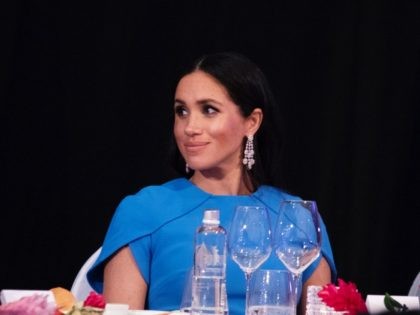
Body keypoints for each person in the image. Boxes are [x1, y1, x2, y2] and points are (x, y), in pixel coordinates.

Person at [87, 52, 336, 315]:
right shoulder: (143, 210)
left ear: (251, 122)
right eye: (181, 111)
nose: (189, 127)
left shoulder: (297, 216)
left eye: (208, 110)